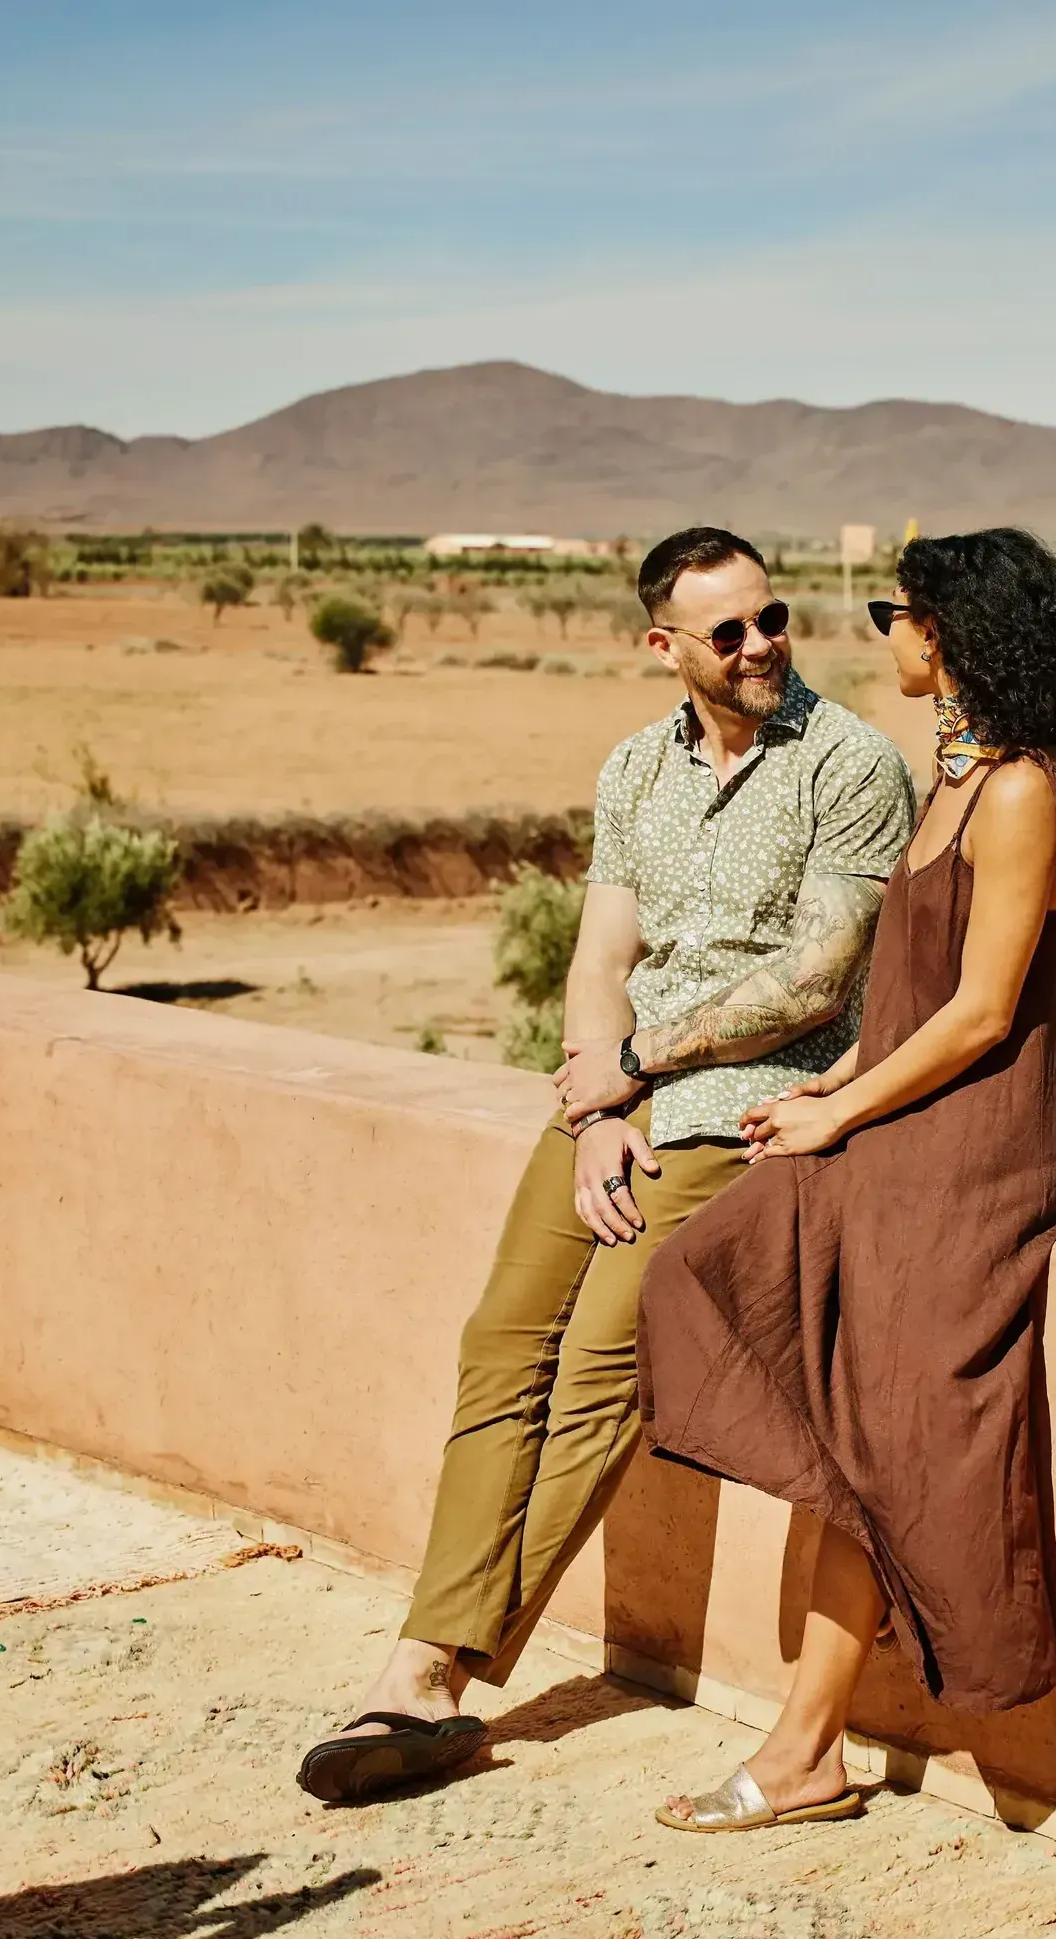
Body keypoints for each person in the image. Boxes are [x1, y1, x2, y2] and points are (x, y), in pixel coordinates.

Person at [296, 527, 916, 1803]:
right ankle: (427, 1661)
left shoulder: (849, 763)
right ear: (664, 646)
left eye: (774, 618)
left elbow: (818, 977)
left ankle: (430, 1677)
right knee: (502, 1340)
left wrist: (641, 1068)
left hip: (743, 1105)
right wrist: (595, 1106)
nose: (761, 647)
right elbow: (598, 957)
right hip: (622, 1096)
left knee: (596, 1371)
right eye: (729, 631)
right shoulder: (636, 769)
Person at [636, 527, 1056, 1832]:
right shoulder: (954, 780)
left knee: (892, 1441)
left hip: (977, 1160)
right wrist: (838, 1081)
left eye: (894, 610)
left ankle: (806, 1749)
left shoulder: (1028, 790)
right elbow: (910, 989)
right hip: (903, 1131)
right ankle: (806, 1748)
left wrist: (843, 1108)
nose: (883, 632)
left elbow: (980, 1015)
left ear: (953, 632)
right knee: (714, 1274)